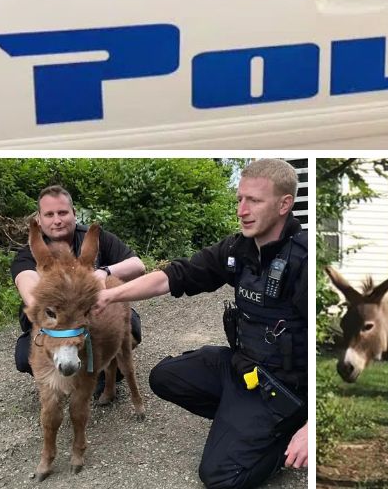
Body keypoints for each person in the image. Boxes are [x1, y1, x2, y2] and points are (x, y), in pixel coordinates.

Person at [94, 158, 308, 489]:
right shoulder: (238, 248)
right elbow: (171, 277)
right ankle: (241, 423)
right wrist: (111, 296)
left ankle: (282, 434)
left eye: (254, 200)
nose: (242, 210)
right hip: (244, 369)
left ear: (284, 205)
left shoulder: (305, 260)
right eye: (239, 199)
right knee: (165, 377)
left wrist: (314, 428)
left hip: (283, 387)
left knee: (220, 477)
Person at [11, 185, 145, 380]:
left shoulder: (98, 237)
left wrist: (103, 272)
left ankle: (105, 370)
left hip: (94, 319)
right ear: (39, 219)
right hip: (53, 326)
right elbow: (27, 283)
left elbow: (138, 266)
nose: (57, 220)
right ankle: (61, 375)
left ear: (74, 213)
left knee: (130, 326)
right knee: (24, 357)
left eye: (62, 212)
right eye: (49, 214)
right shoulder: (29, 252)